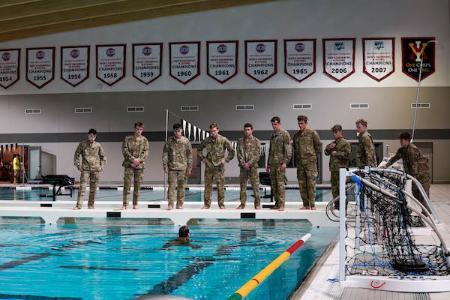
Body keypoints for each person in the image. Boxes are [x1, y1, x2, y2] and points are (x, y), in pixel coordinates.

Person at [384, 132, 431, 212]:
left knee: (423, 196)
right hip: (414, 176)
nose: (401, 141)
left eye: (403, 140)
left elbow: (414, 166)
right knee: (415, 195)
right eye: (401, 140)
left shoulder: (412, 150)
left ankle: (427, 214)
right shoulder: (402, 150)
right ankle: (425, 212)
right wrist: (386, 165)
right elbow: (395, 158)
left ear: (407, 141)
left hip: (422, 177)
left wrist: (413, 178)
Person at [198, 122, 235, 209]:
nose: (213, 133)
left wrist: (225, 160)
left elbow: (232, 151)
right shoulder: (206, 141)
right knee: (208, 186)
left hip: (219, 167)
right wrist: (204, 159)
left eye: (214, 131)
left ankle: (221, 204)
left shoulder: (223, 140)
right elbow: (199, 150)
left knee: (220, 186)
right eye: (211, 131)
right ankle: (207, 205)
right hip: (209, 167)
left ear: (218, 130)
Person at [292, 115, 321, 210]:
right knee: (302, 184)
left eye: (302, 123)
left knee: (311, 184)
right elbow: (295, 149)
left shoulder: (313, 133)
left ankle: (312, 204)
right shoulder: (296, 136)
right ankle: (305, 204)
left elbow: (318, 148)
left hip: (310, 164)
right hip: (300, 164)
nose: (300, 125)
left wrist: (311, 157)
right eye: (299, 123)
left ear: (306, 123)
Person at [73, 129, 106, 209]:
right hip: (85, 169)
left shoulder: (98, 145)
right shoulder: (82, 144)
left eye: (94, 136)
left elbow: (103, 156)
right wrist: (78, 165)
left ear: (95, 137)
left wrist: (102, 166)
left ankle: (91, 205)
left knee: (93, 189)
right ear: (88, 135)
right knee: (82, 187)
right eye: (91, 136)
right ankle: (78, 206)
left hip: (95, 169)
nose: (92, 137)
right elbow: (76, 155)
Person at [162, 123, 193, 210]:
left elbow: (190, 155)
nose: (177, 133)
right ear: (174, 131)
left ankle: (180, 204)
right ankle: (170, 204)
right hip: (172, 168)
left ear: (181, 131)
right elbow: (165, 154)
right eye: (175, 131)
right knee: (171, 187)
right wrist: (165, 166)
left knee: (182, 187)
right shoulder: (169, 141)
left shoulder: (186, 141)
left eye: (179, 131)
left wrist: (189, 168)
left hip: (183, 168)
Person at [122, 121, 149, 209]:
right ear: (134, 129)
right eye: (137, 129)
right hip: (129, 164)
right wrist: (133, 159)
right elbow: (124, 150)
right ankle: (125, 204)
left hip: (139, 166)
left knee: (137, 185)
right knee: (127, 185)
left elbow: (146, 152)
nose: (139, 131)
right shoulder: (127, 139)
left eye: (141, 129)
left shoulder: (144, 140)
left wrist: (139, 160)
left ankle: (135, 204)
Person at [267, 116, 292, 211]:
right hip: (273, 164)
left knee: (280, 184)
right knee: (274, 185)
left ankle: (282, 205)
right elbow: (270, 151)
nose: (274, 126)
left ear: (279, 124)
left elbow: (288, 150)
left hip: (280, 164)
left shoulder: (285, 134)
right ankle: (277, 203)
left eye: (275, 124)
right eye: (273, 124)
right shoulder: (272, 136)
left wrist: (285, 162)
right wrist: (268, 164)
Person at [324, 124, 351, 209]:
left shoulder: (345, 143)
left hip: (341, 170)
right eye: (334, 133)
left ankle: (343, 206)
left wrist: (337, 154)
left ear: (340, 132)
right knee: (334, 189)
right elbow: (326, 152)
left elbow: (348, 155)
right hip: (333, 170)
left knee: (342, 188)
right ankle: (337, 205)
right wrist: (329, 148)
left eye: (336, 132)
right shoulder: (333, 143)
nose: (334, 134)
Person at [236, 123, 261, 209]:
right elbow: (239, 154)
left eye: (248, 130)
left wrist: (249, 164)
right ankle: (242, 204)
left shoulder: (256, 141)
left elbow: (257, 155)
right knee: (242, 186)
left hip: (253, 167)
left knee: (255, 186)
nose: (247, 131)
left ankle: (257, 204)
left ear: (252, 130)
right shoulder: (240, 141)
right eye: (245, 130)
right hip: (243, 168)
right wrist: (243, 164)